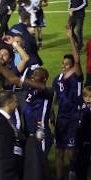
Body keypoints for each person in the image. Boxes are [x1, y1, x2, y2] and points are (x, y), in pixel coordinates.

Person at [53, 27, 83, 180]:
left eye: (68, 64)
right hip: (61, 118)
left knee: (71, 152)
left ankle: (73, 175)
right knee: (59, 151)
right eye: (63, 63)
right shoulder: (57, 79)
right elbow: (55, 98)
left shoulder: (76, 75)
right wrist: (51, 113)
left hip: (74, 117)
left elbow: (77, 60)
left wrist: (71, 38)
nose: (65, 66)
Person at [75, 86, 91, 180]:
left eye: (90, 96)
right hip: (82, 141)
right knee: (81, 166)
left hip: (88, 140)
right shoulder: (81, 108)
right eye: (85, 96)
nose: (88, 99)